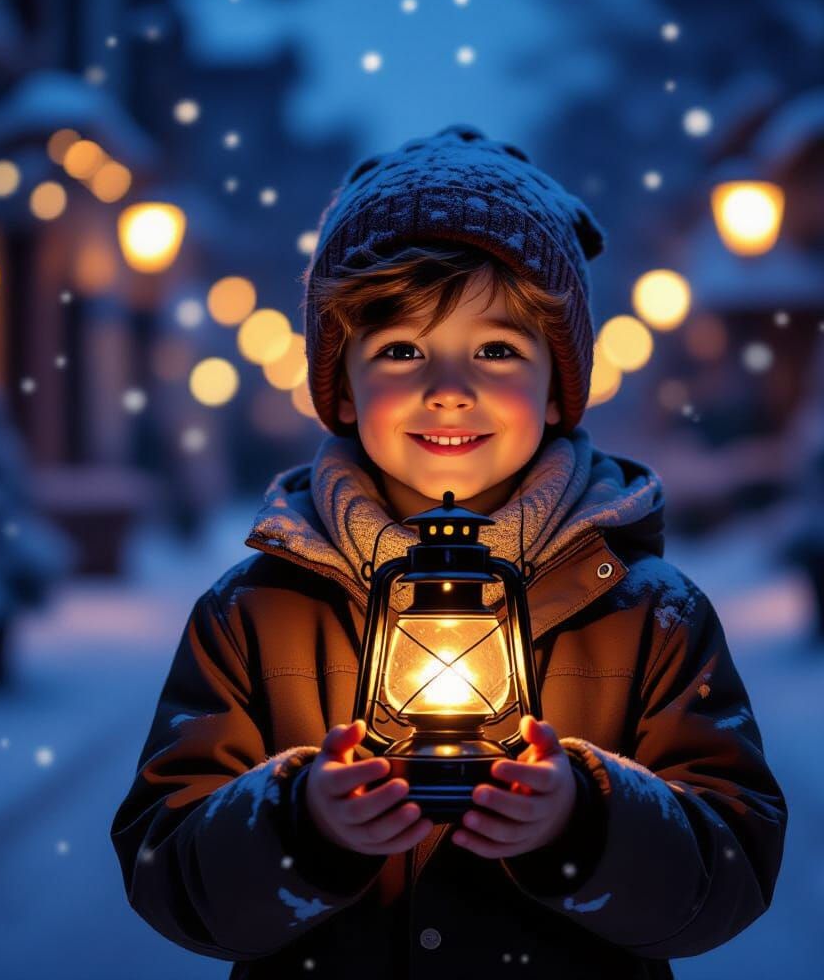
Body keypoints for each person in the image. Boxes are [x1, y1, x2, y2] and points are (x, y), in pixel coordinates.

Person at [111, 125, 787, 979]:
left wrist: (585, 823)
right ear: (341, 388)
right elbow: (162, 865)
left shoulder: (646, 614)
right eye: (400, 350)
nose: (449, 388)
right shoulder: (258, 613)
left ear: (559, 388)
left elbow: (734, 862)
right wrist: (301, 828)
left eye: (497, 349)